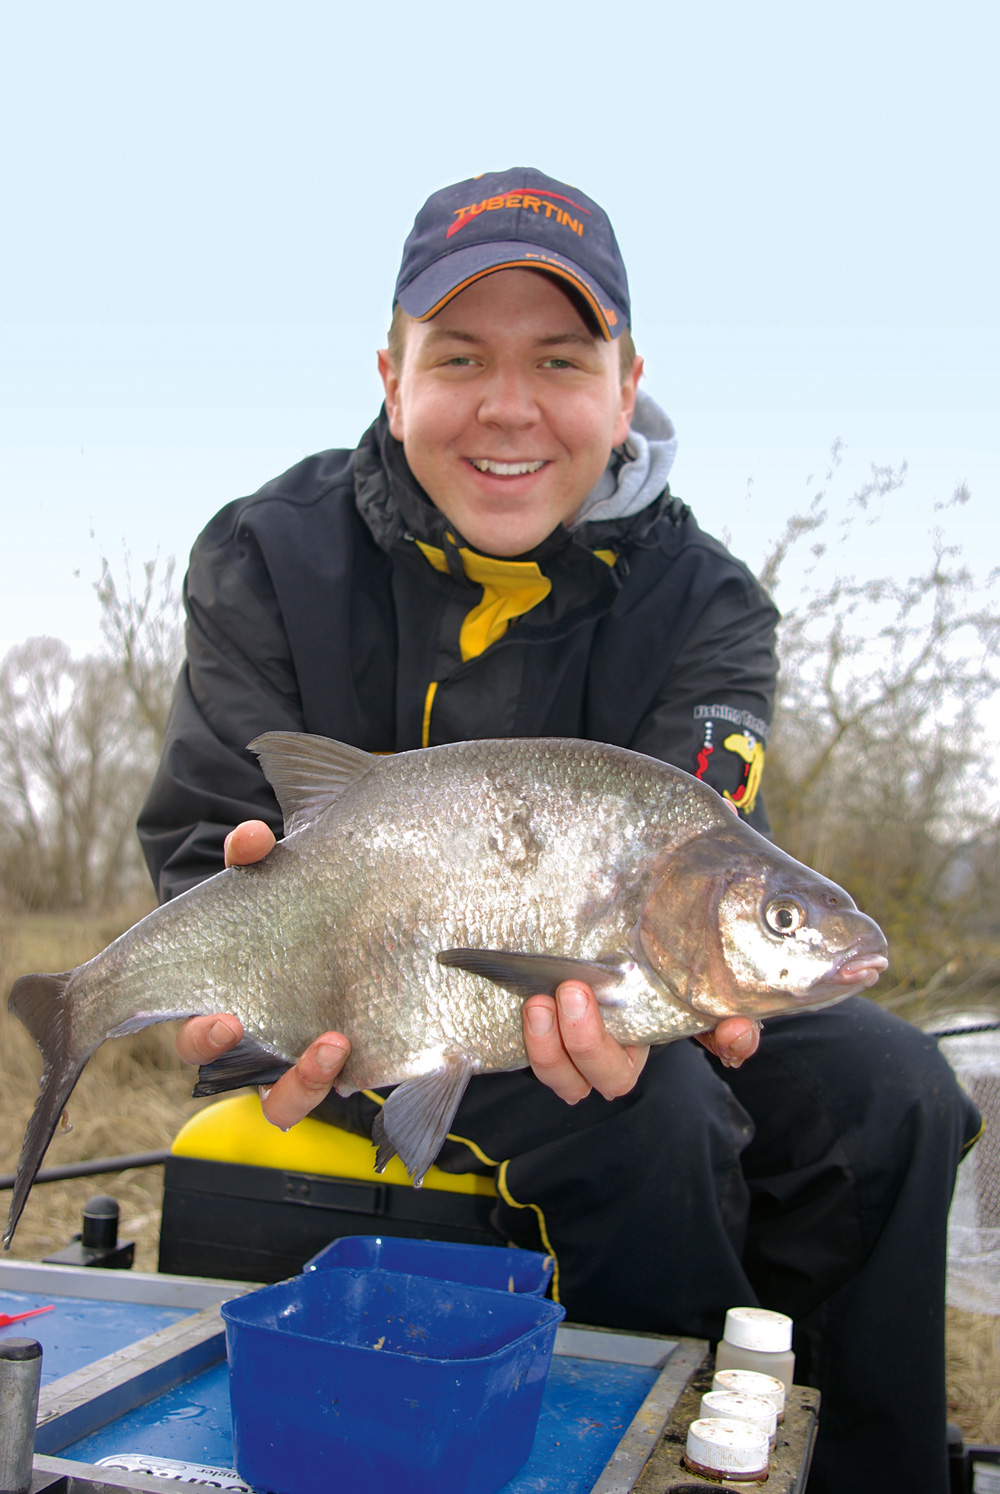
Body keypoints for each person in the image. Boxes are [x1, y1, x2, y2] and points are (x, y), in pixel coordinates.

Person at [138, 168, 980, 1493]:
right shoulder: (265, 552)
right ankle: (659, 1459)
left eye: (561, 357)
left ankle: (867, 1468)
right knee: (658, 1121)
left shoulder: (709, 602)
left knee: (897, 1093)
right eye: (459, 355)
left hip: (606, 973)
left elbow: (681, 870)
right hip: (364, 998)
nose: (510, 405)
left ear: (628, 375)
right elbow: (206, 847)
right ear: (390, 371)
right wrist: (252, 984)